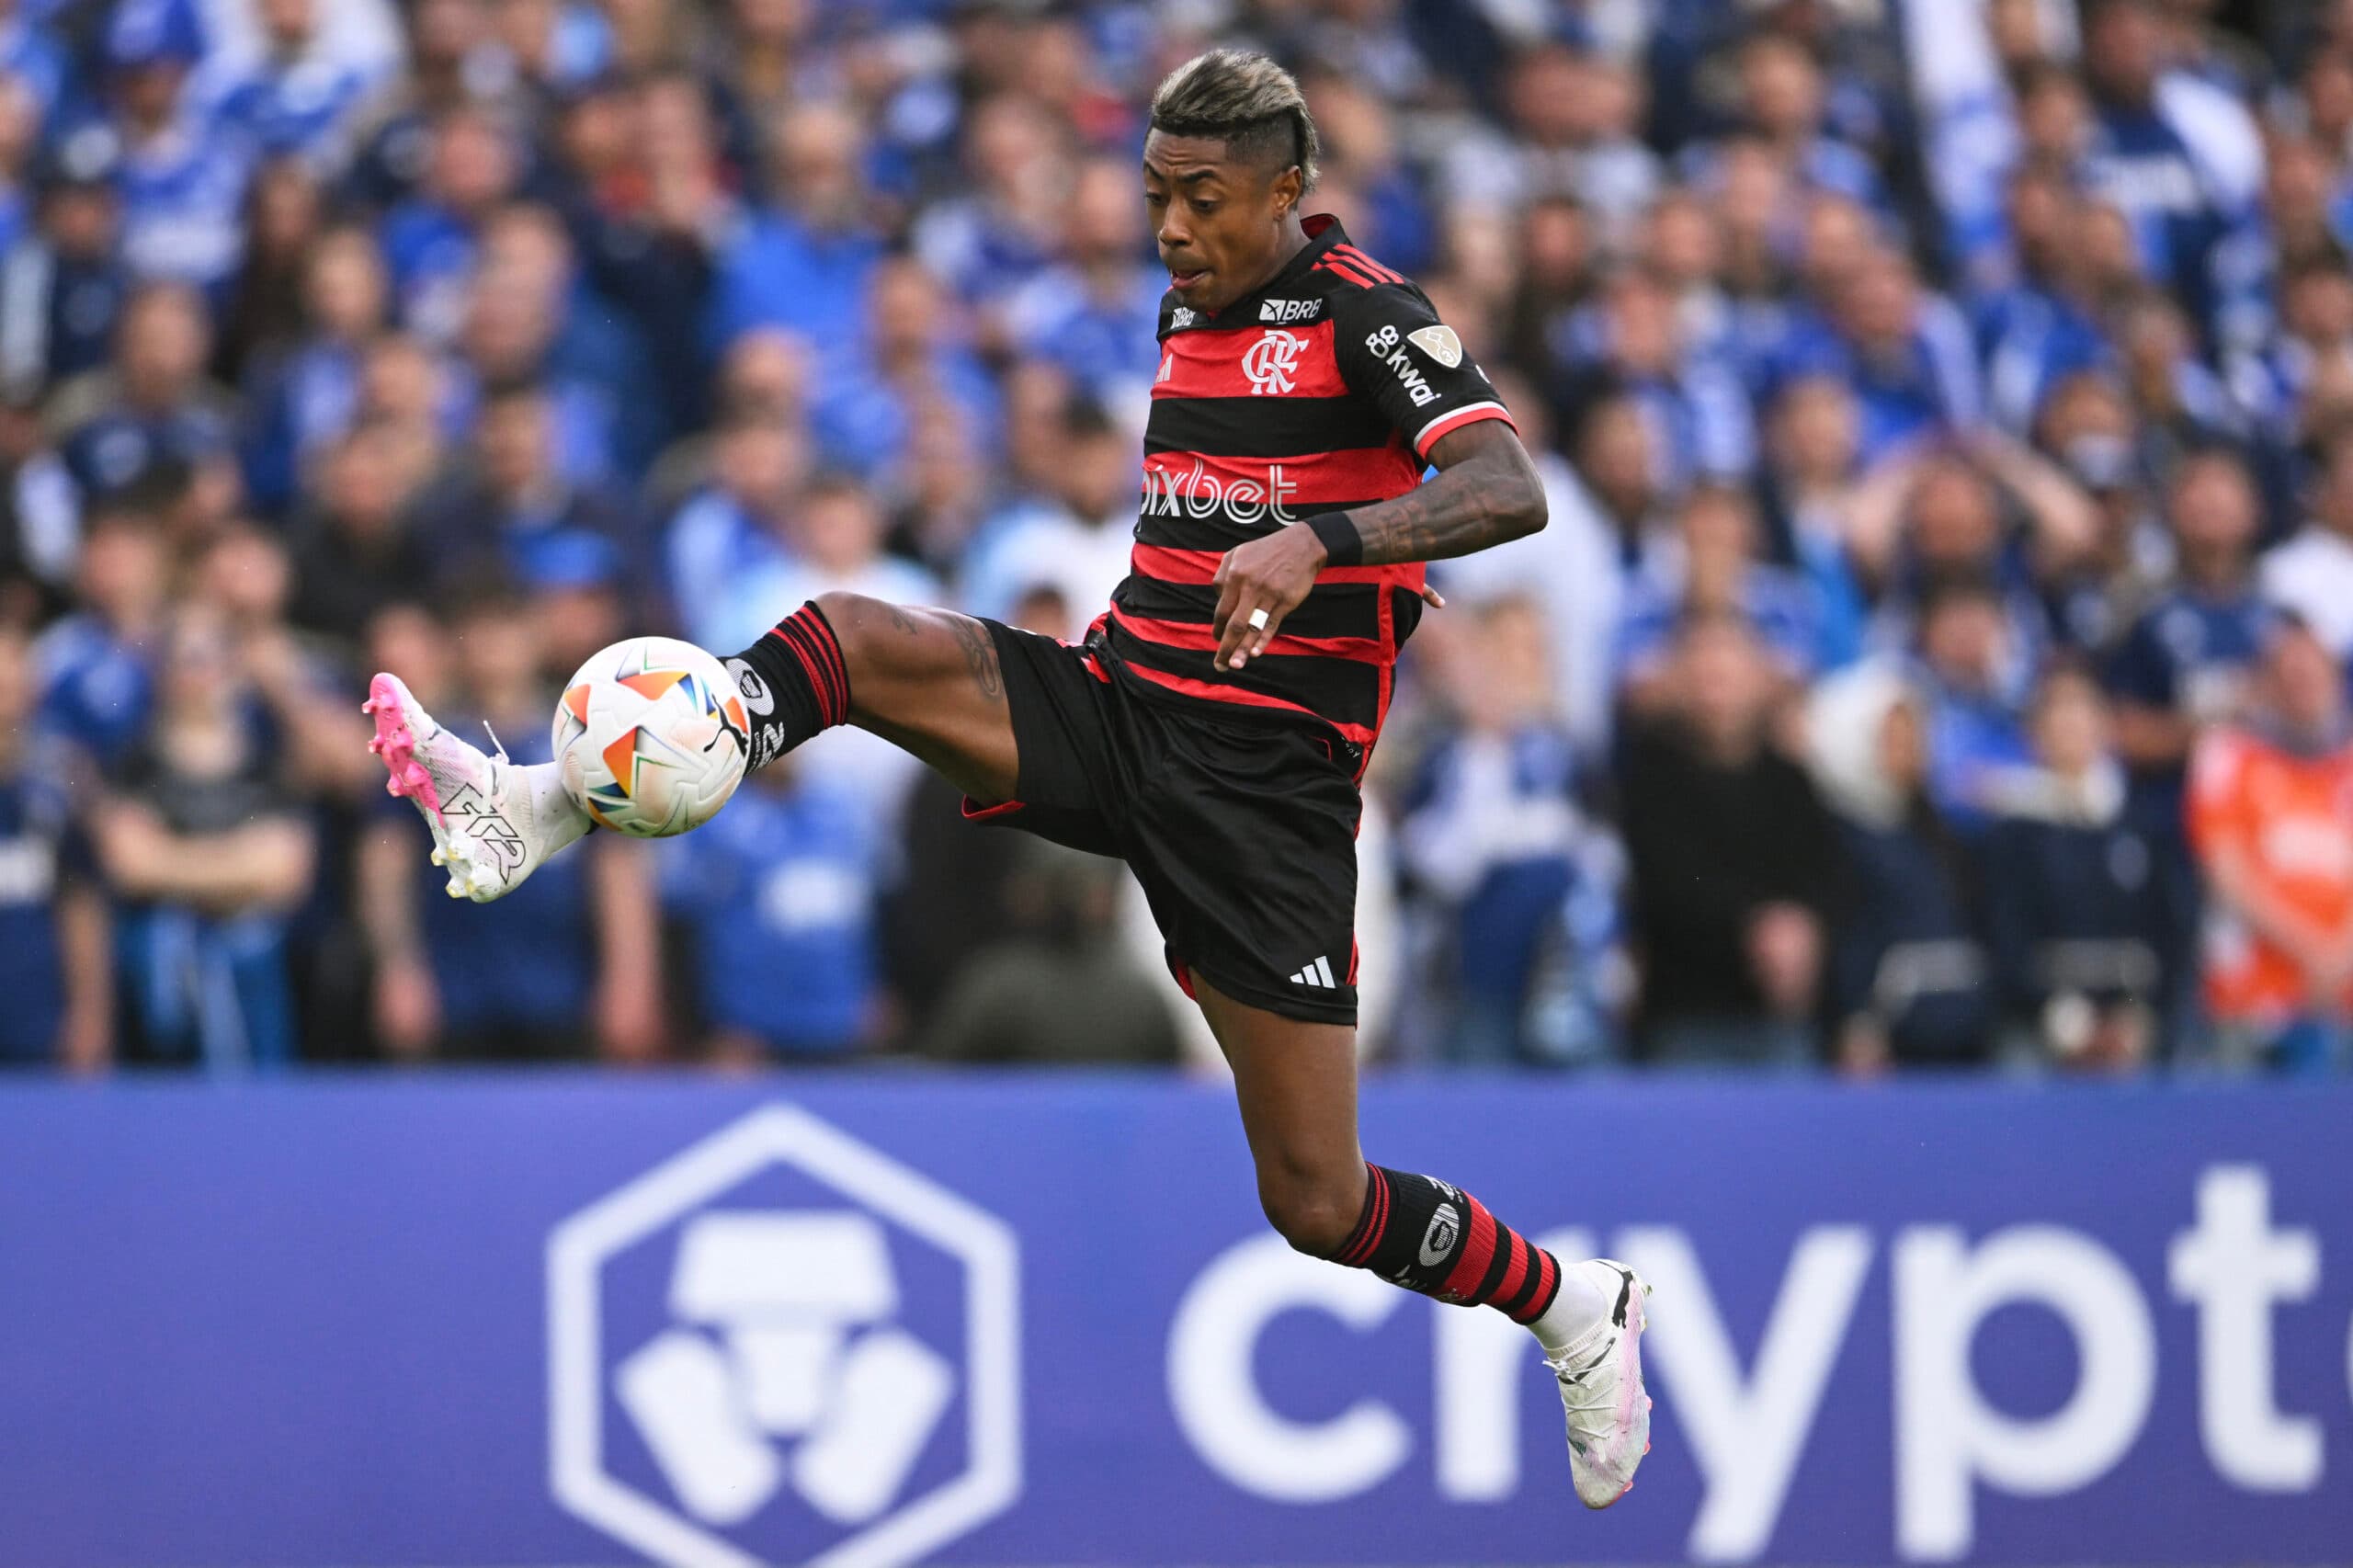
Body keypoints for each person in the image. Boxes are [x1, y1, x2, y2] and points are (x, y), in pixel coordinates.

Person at [363, 50, 1654, 1506]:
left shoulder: (1368, 313)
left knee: (1315, 1197)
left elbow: (1507, 486)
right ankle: (539, 799)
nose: (1172, 228)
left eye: (1207, 200)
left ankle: (1567, 1301)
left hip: (1262, 802)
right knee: (845, 637)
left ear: (1290, 193)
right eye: (1159, 192)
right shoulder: (1191, 298)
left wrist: (1326, 542)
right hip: (1117, 705)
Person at [2186, 617, 2353, 1074]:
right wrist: (2314, 952)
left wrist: (2339, 956)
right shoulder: (2229, 754)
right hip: (2251, 1002)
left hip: (2343, 997)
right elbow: (2226, 874)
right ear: (2266, 683)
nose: (2303, 687)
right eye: (2288, 675)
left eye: (2313, 674)